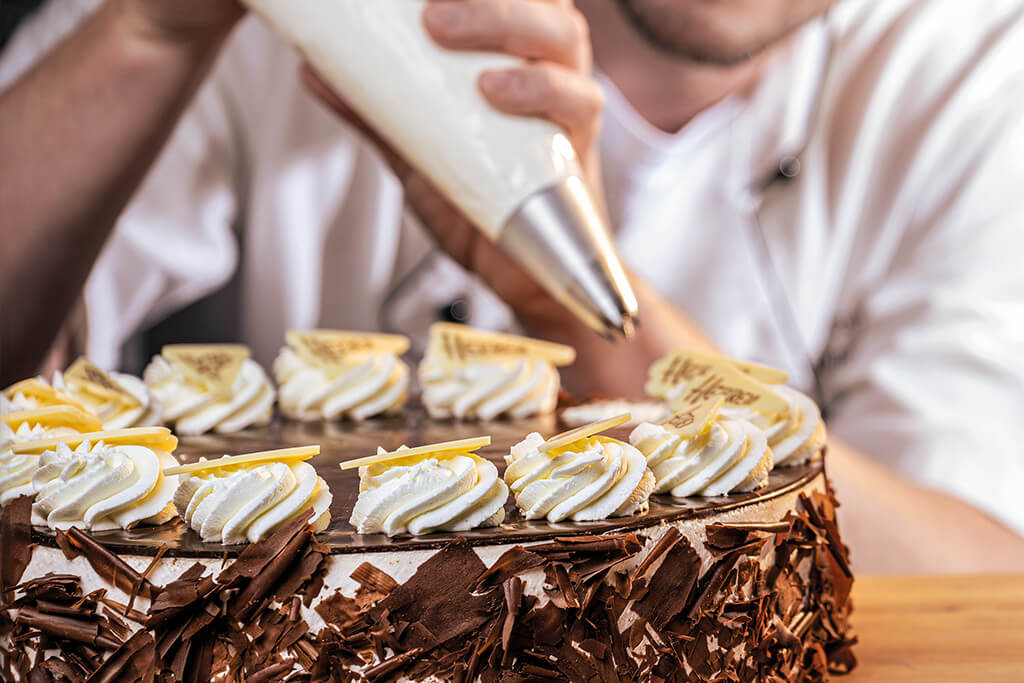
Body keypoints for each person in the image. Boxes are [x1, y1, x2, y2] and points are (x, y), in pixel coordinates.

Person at [2, 0, 1024, 572]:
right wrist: (151, 28)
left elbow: (972, 579)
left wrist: (573, 309)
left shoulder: (967, 66)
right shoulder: (301, 26)